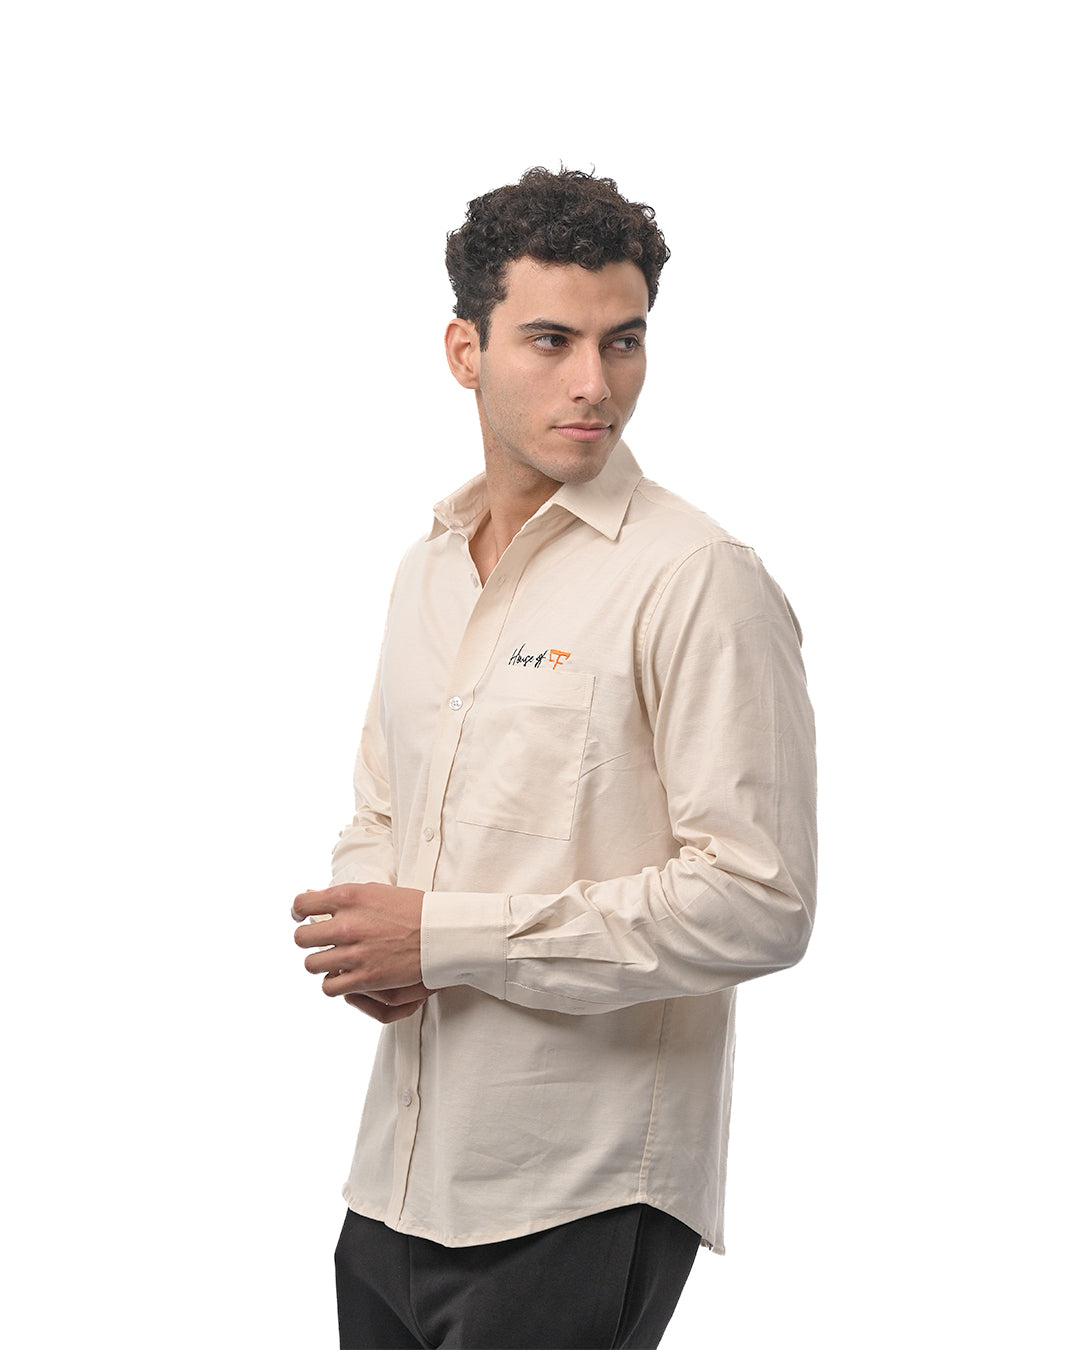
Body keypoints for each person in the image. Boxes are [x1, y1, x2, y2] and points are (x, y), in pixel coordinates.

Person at [292, 166, 817, 1350]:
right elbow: (384, 805)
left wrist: (446, 939)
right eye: (551, 341)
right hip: (394, 1180)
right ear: (464, 351)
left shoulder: (696, 580)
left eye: (623, 341)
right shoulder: (427, 566)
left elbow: (760, 901)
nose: (595, 383)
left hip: (579, 1190)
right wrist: (372, 929)